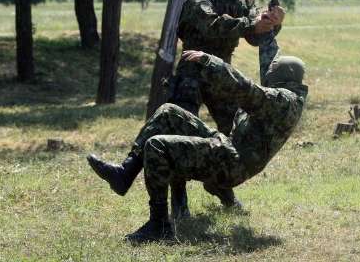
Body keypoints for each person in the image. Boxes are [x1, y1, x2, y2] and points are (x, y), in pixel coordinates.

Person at [87, 48, 308, 244]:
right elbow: (269, 63)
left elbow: (248, 90)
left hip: (233, 163)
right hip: (228, 149)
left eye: (271, 72)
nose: (267, 74)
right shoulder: (288, 95)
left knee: (157, 146)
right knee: (169, 112)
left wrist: (211, 62)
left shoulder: (284, 102)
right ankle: (125, 173)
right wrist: (268, 26)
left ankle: (159, 226)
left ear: (279, 78)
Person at [167, 0, 285, 216]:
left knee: (235, 132)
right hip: (193, 68)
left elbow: (255, 34)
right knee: (180, 130)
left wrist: (272, 23)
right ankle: (179, 201)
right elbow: (212, 24)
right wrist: (250, 24)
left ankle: (220, 185)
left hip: (221, 70)